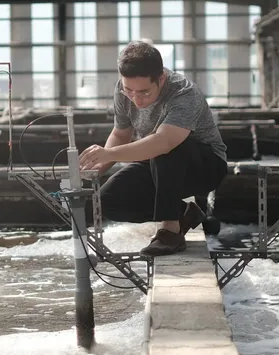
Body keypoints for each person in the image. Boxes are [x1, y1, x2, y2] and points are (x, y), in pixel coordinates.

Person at [78, 41, 229, 256]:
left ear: (161, 79)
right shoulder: (124, 89)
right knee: (105, 202)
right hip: (159, 163)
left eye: (144, 93)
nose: (136, 99)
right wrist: (98, 167)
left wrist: (109, 153)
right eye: (129, 91)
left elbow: (165, 141)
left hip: (204, 165)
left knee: (163, 147)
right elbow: (121, 134)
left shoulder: (184, 94)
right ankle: (184, 213)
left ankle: (170, 232)